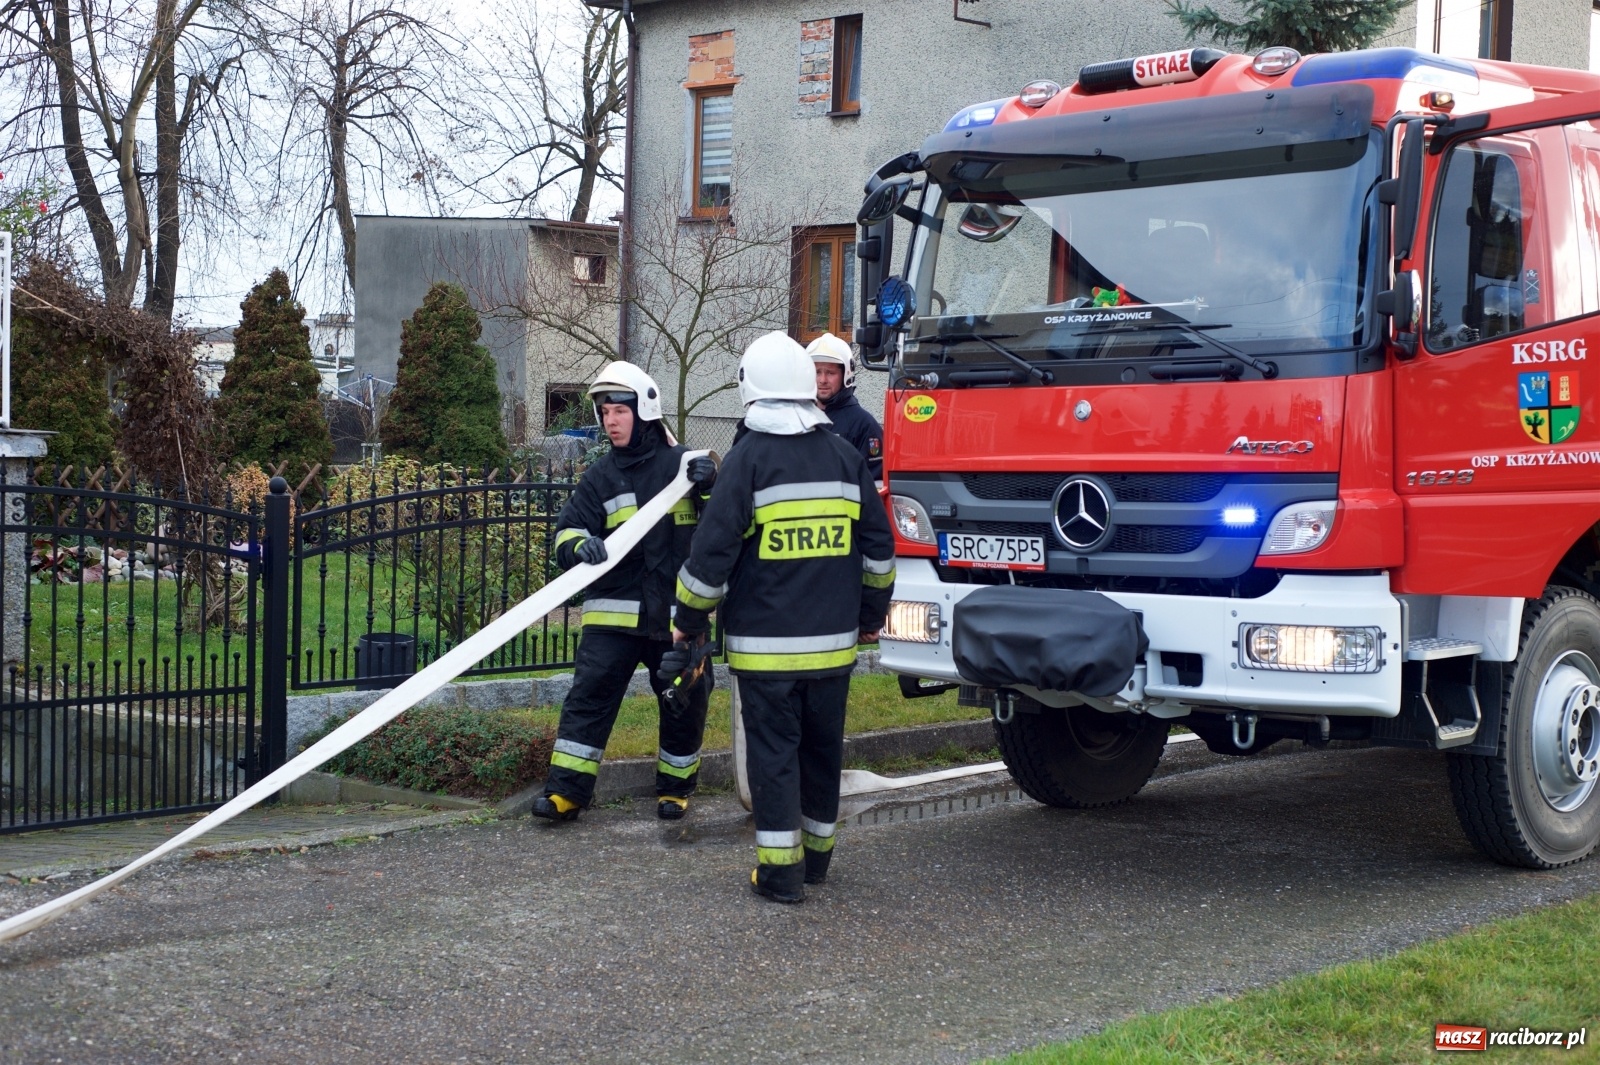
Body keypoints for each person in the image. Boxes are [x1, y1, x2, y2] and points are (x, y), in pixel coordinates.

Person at [667, 331, 895, 903]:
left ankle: (780, 875)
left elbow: (709, 559)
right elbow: (880, 553)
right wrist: (871, 617)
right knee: (823, 753)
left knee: (774, 759)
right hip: (836, 650)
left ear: (751, 392)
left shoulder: (747, 463)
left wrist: (688, 621)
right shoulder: (846, 459)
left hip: (767, 652)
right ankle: (817, 863)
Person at [531, 362, 717, 824]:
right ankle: (566, 794)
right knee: (588, 698)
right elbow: (564, 533)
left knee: (685, 699)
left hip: (678, 619)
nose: (610, 420)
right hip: (613, 621)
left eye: (619, 411)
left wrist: (711, 485)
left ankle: (675, 789)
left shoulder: (686, 468)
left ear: (645, 411)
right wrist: (579, 545)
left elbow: (725, 528)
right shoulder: (599, 477)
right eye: (605, 412)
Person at [807, 332, 883, 480]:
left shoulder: (864, 426)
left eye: (830, 373)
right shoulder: (798, 420)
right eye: (817, 372)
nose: (822, 380)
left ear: (846, 375)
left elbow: (874, 486)